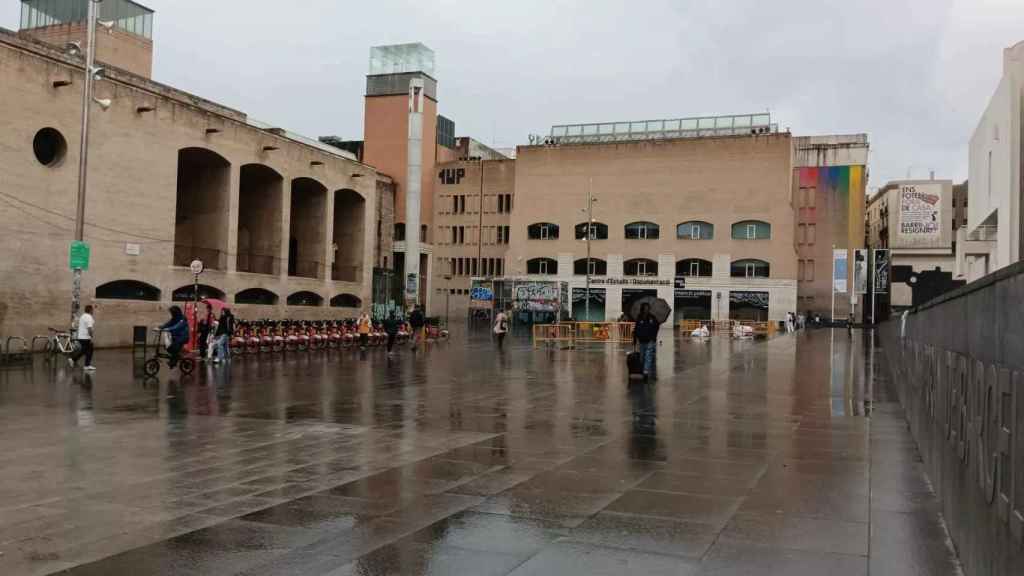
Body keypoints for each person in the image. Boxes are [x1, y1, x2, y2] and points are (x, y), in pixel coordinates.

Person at [632, 303, 662, 380]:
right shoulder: (639, 317)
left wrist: (653, 337)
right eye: (645, 308)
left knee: (648, 356)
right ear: (642, 309)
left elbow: (656, 327)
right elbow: (636, 329)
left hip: (650, 341)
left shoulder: (652, 317)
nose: (646, 309)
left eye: (648, 308)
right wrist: (635, 339)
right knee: (642, 357)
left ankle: (645, 372)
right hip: (641, 341)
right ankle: (647, 371)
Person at [69, 305, 96, 371]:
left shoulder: (83, 316)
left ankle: (73, 359)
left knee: (85, 350)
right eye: (92, 310)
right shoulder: (89, 317)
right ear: (90, 310)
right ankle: (86, 365)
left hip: (81, 336)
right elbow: (89, 328)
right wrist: (91, 335)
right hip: (85, 337)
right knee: (89, 349)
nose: (93, 311)